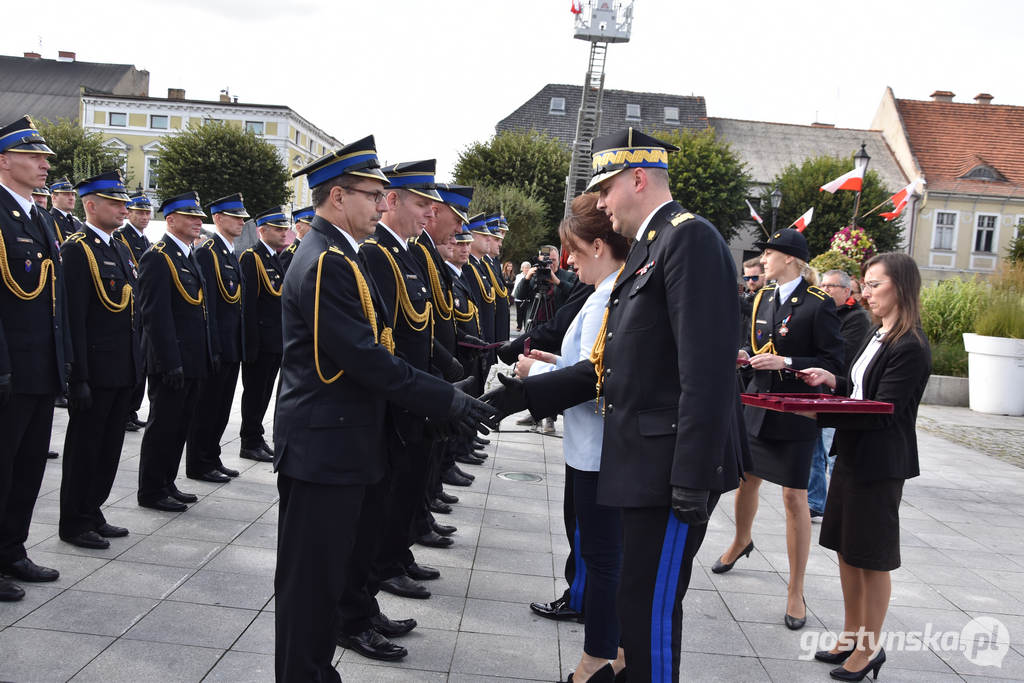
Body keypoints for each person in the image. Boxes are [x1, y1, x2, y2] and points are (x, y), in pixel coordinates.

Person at [482, 128, 749, 683]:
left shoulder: (689, 240)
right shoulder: (654, 248)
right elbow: (619, 365)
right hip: (641, 466)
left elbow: (706, 373)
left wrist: (693, 478)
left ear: (638, 178)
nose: (600, 204)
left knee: (649, 618)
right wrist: (520, 395)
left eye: (605, 189)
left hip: (671, 469)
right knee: (634, 607)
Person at [272, 136, 494, 682]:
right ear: (338, 196)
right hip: (325, 444)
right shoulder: (326, 261)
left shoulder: (339, 253)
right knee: (311, 579)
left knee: (323, 574)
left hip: (340, 439)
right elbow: (366, 359)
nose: (380, 205)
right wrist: (448, 399)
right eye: (373, 195)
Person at [799, 253, 931, 681]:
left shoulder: (909, 344)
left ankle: (870, 649)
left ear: (901, 288)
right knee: (845, 548)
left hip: (880, 460)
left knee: (871, 557)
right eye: (866, 284)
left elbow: (880, 410)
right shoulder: (878, 334)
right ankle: (851, 633)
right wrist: (830, 381)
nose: (866, 292)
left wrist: (817, 415)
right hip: (854, 454)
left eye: (876, 284)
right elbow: (860, 389)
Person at [516, 193, 629, 683]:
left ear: (600, 246)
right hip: (591, 445)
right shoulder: (606, 290)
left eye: (576, 252)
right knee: (601, 556)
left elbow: (594, 378)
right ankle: (614, 654)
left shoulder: (610, 293)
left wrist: (528, 389)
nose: (568, 262)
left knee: (603, 560)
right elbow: (586, 368)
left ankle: (596, 661)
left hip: (601, 449)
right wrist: (549, 367)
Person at [338, 160, 445, 663]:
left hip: (409, 397)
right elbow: (382, 342)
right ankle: (356, 609)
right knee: (372, 515)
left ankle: (365, 601)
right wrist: (428, 392)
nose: (429, 213)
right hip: (392, 402)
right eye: (421, 203)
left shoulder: (405, 254)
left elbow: (418, 329)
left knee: (387, 504)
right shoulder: (377, 254)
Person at [712, 228, 843, 631]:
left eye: (768, 254)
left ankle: (796, 589)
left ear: (789, 259)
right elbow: (758, 348)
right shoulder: (763, 297)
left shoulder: (819, 304)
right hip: (758, 403)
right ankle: (741, 540)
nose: (762, 260)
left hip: (796, 411)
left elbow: (833, 362)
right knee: (746, 479)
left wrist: (786, 362)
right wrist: (745, 357)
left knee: (793, 497)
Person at [0, 116, 69, 601]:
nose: (45, 164)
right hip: (8, 370)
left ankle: (12, 550)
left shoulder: (38, 216)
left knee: (27, 467)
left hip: (40, 368)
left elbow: (53, 299)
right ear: (4, 160)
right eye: (34, 156)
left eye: (44, 156)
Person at [58, 171, 140, 549]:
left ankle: (93, 510)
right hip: (95, 369)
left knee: (108, 449)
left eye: (123, 202)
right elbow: (73, 317)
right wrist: (78, 377)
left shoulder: (119, 248)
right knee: (85, 448)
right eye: (114, 202)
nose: (122, 208)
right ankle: (74, 521)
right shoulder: (78, 249)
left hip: (122, 368)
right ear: (90, 205)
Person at [136, 192, 218, 512]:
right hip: (171, 361)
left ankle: (166, 482)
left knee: (180, 425)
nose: (198, 222)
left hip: (192, 359)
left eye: (199, 217)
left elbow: (200, 312)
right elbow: (155, 315)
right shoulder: (158, 256)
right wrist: (169, 361)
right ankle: (151, 490)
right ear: (171, 220)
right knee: (163, 426)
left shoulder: (188, 255)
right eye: (191, 217)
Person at [185, 193, 248, 483]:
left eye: (243, 218)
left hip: (231, 344)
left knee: (221, 406)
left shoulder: (228, 252)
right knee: (207, 407)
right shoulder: (208, 251)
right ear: (218, 219)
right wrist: (212, 346)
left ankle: (212, 455)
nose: (241, 222)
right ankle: (199, 461)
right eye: (235, 217)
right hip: (217, 346)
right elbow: (207, 304)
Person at [808, 269, 872, 518]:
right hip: (818, 390)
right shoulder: (821, 312)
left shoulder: (857, 318)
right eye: (822, 285)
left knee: (831, 451)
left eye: (831, 286)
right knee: (814, 452)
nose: (825, 290)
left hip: (839, 392)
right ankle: (815, 501)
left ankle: (839, 504)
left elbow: (839, 354)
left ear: (847, 291)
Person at [238, 207, 289, 462]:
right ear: (262, 230)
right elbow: (248, 306)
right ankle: (249, 441)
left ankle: (256, 436)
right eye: (278, 228)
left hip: (275, 341)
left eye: (284, 228)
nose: (284, 233)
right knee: (255, 393)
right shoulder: (252, 258)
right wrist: (250, 345)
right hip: (260, 342)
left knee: (265, 394)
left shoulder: (274, 258)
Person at [115, 192, 153, 432]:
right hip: (128, 304)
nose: (145, 217)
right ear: (129, 213)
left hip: (142, 307)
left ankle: (132, 409)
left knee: (141, 364)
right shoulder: (121, 237)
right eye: (140, 212)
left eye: (148, 212)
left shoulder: (145, 241)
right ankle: (125, 409)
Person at [739, 257, 765, 345]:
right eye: (746, 278)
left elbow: (757, 313)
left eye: (754, 278)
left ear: (765, 276)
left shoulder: (769, 297)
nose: (750, 282)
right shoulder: (746, 296)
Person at [48, 176, 83, 242]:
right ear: (54, 197)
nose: (71, 198)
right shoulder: (48, 220)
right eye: (66, 194)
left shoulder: (78, 222)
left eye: (73, 194)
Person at [279, 205, 313, 271]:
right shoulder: (289, 253)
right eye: (311, 225)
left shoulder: (311, 248)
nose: (315, 228)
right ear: (298, 228)